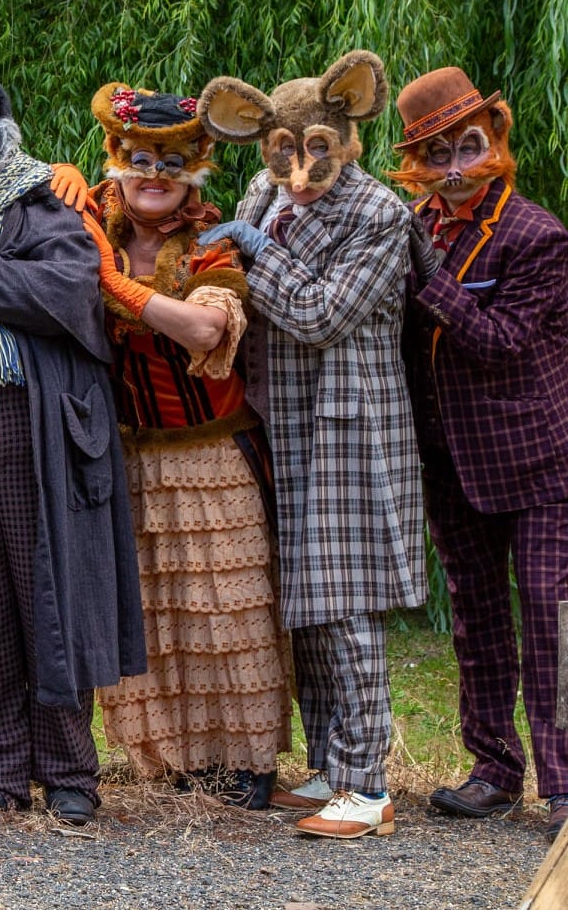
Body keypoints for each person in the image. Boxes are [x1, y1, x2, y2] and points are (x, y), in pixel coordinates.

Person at [0, 66, 145, 825]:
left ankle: (69, 770)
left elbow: (63, 295)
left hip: (40, 426)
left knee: (52, 590)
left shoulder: (44, 203)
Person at [197, 50, 427, 839]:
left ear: (345, 130)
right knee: (308, 608)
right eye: (282, 154)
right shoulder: (262, 190)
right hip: (282, 420)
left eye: (314, 151)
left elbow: (323, 313)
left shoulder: (379, 214)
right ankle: (331, 762)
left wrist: (255, 256)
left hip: (347, 425)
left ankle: (367, 787)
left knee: (346, 604)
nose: (297, 174)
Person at [53, 84, 287, 810]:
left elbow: (204, 332)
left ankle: (243, 764)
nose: (152, 174)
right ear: (115, 161)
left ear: (194, 168)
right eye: (138, 159)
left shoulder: (211, 245)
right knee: (153, 614)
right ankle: (179, 764)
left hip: (212, 453)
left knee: (225, 613)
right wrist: (47, 173)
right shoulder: (84, 223)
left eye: (169, 161)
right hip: (126, 456)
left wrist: (109, 283)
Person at [389, 68, 568, 837]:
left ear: (493, 138)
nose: (453, 168)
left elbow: (497, 342)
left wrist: (425, 274)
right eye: (435, 155)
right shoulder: (408, 222)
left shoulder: (537, 235)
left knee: (548, 610)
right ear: (415, 161)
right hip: (448, 461)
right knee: (476, 617)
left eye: (466, 146)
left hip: (536, 458)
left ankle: (563, 783)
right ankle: (493, 768)